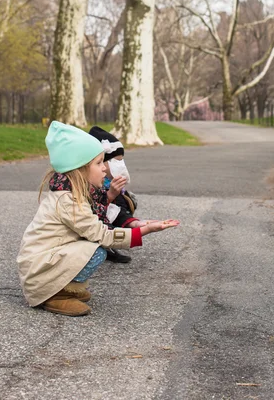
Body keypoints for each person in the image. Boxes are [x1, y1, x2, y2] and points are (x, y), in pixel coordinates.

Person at [17, 121, 179, 317]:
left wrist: (132, 219)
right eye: (99, 163)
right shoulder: (69, 201)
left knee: (94, 245)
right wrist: (143, 231)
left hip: (43, 265)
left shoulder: (75, 193)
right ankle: (54, 295)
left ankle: (63, 287)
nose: (104, 168)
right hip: (39, 273)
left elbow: (99, 216)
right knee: (97, 250)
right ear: (80, 168)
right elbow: (101, 234)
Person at [89, 126, 146, 264]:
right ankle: (100, 243)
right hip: (87, 225)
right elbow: (91, 209)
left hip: (105, 216)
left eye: (121, 160)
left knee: (127, 200)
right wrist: (109, 195)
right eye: (115, 161)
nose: (120, 165)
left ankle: (114, 237)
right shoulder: (88, 183)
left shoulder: (108, 180)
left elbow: (119, 206)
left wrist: (133, 223)